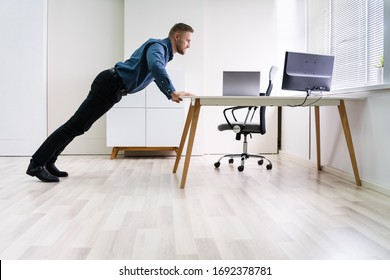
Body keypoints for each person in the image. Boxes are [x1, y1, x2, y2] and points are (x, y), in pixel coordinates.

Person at [26, 23, 194, 182]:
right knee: (75, 125)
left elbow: (156, 74)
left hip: (113, 88)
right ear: (177, 36)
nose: (189, 45)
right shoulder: (158, 47)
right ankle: (36, 164)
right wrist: (171, 91)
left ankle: (48, 161)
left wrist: (169, 93)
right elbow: (156, 67)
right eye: (188, 40)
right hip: (110, 84)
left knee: (78, 126)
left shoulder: (163, 53)